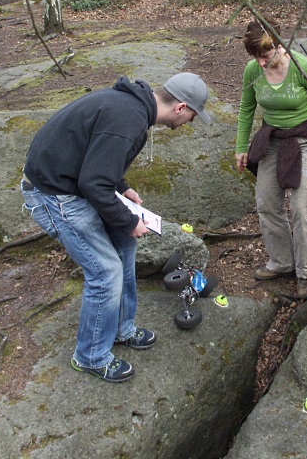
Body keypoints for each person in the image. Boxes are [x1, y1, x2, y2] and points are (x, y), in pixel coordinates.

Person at [21, 73, 211, 382]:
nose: (191, 122)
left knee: (124, 247)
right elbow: (93, 182)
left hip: (73, 185)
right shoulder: (129, 119)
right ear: (180, 107)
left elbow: (95, 159)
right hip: (54, 195)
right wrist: (129, 221)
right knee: (105, 271)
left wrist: (121, 188)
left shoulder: (132, 109)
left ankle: (122, 329)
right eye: (193, 115)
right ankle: (91, 356)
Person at [235, 18, 307, 300]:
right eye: (255, 58)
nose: (261, 63)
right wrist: (241, 147)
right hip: (274, 139)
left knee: (303, 207)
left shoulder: (302, 66)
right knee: (266, 202)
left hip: (306, 138)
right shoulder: (253, 70)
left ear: (280, 47)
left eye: (265, 57)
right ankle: (281, 262)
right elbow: (246, 108)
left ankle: (306, 272)